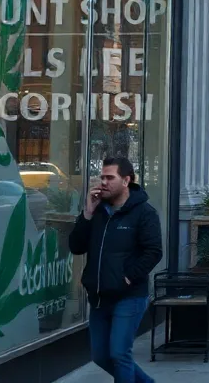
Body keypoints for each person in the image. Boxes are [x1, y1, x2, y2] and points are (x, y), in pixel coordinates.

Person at [70, 157, 163, 383]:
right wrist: (87, 214)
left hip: (129, 295)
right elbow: (76, 247)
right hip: (100, 297)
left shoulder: (143, 212)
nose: (104, 182)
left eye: (110, 177)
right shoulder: (98, 212)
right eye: (102, 177)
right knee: (101, 356)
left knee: (120, 353)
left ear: (126, 180)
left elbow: (153, 251)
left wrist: (128, 277)